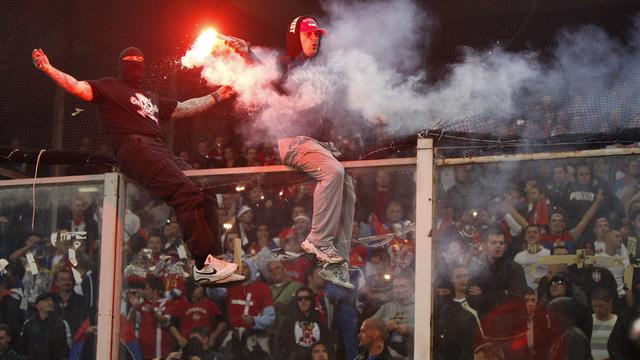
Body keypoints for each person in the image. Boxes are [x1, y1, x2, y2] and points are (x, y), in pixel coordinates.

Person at [32, 47, 241, 285]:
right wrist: (48, 68)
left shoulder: (150, 96)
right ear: (120, 64)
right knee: (186, 194)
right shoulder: (109, 85)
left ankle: (215, 259)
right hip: (135, 147)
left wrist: (217, 96)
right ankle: (204, 264)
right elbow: (78, 87)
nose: (136, 64)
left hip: (158, 148)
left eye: (140, 61)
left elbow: (183, 107)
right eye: (131, 61)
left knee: (204, 189)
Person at [226, 16, 356, 286]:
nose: (315, 39)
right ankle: (318, 240)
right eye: (309, 35)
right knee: (333, 172)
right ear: (295, 36)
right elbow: (265, 72)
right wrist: (247, 52)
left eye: (317, 35)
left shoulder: (319, 70)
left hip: (320, 145)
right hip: (296, 142)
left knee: (348, 188)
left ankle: (336, 264)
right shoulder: (286, 65)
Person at [273, 286, 331, 360]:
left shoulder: (321, 325)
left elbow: (328, 349)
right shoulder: (287, 324)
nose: (303, 301)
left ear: (312, 300)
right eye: (300, 299)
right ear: (296, 301)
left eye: (307, 298)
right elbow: (279, 349)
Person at [18, 292, 71, 359]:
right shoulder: (28, 324)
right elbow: (24, 349)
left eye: (51, 300)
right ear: (37, 305)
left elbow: (64, 350)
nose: (51, 302)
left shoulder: (61, 324)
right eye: (46, 300)